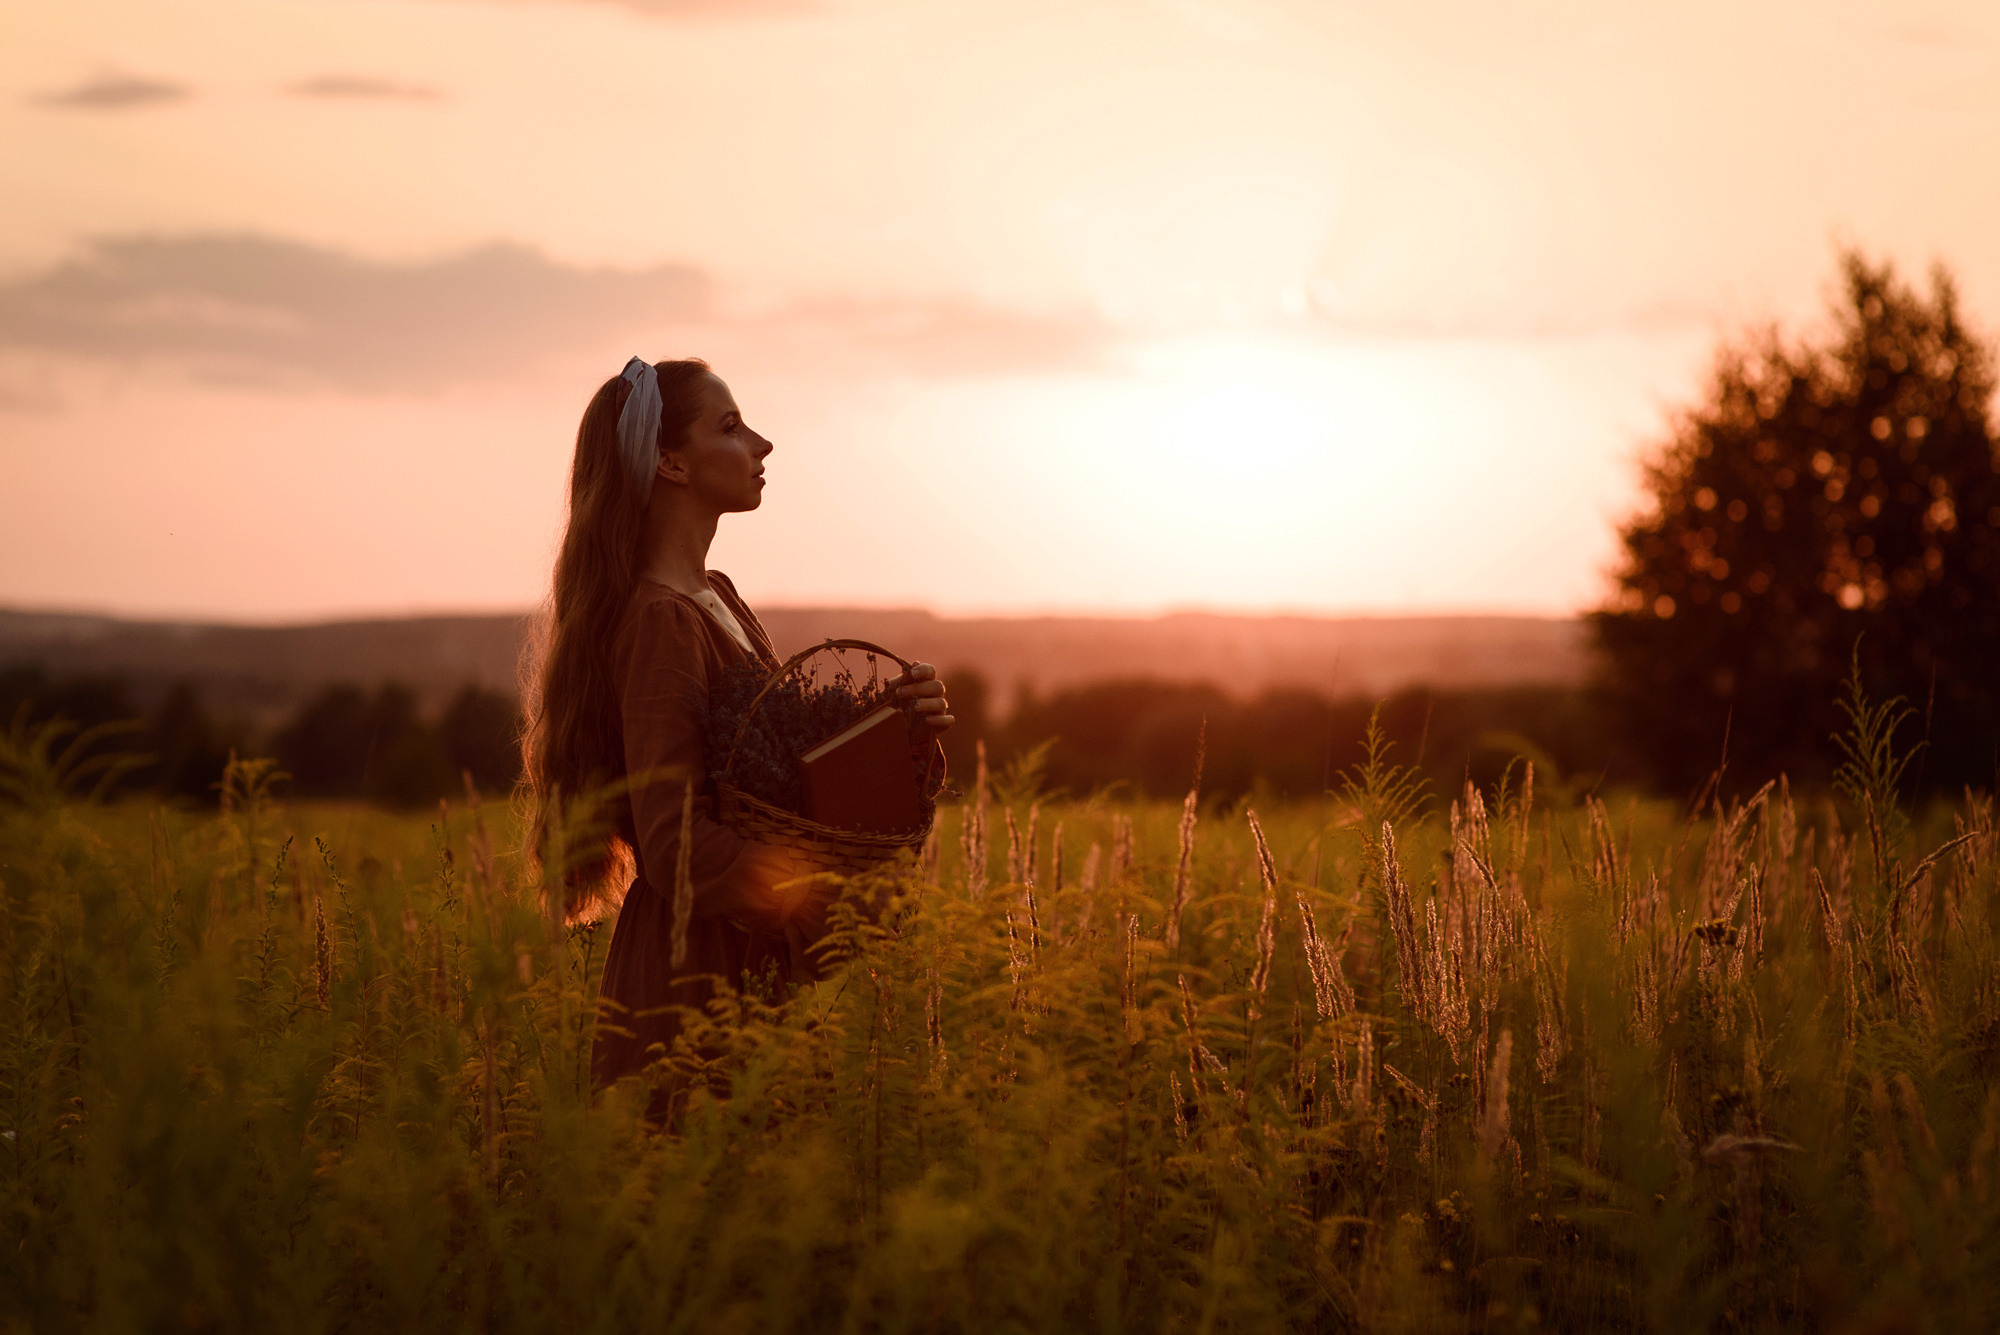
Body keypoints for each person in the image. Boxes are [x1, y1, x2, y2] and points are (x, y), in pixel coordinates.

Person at [522, 356, 953, 1114]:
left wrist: (899, 735)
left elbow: (780, 781)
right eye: (730, 426)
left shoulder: (715, 596)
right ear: (671, 462)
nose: (762, 444)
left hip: (743, 964)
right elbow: (676, 845)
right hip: (691, 984)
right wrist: (823, 897)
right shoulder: (661, 622)